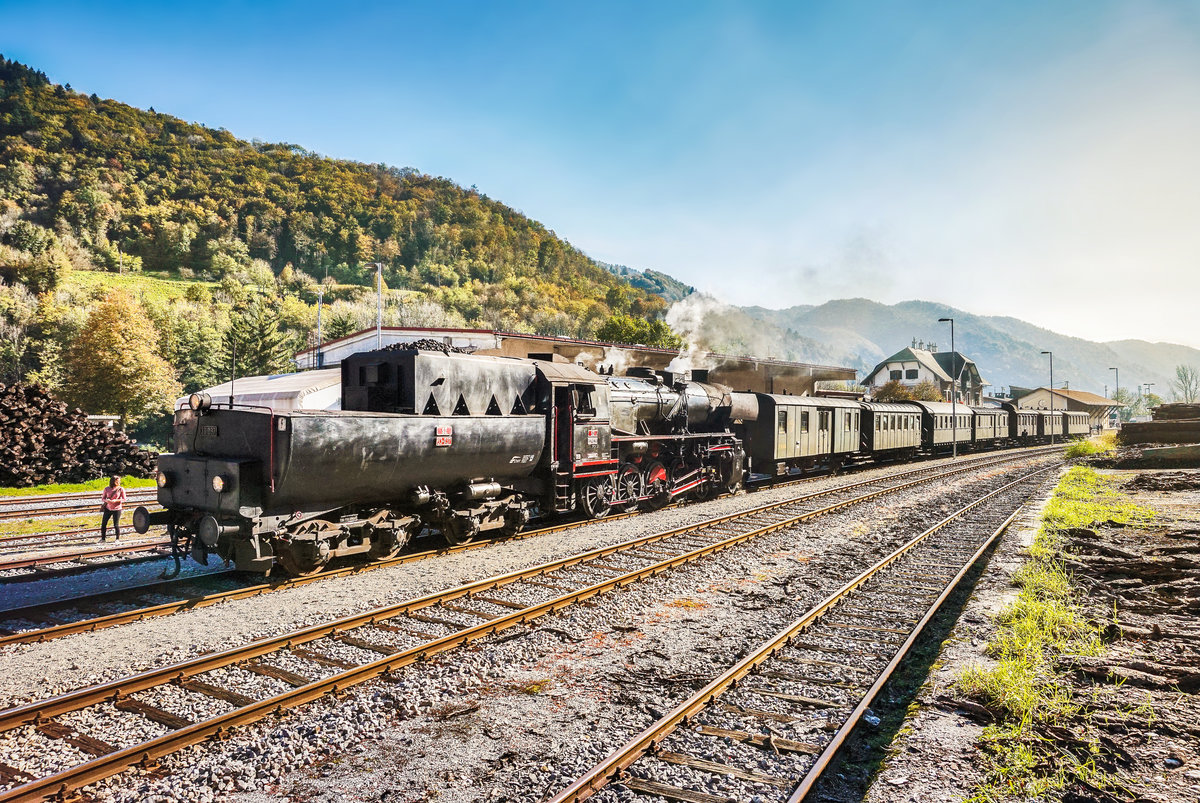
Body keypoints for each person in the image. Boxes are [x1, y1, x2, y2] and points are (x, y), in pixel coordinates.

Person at [100, 475, 126, 542]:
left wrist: (116, 500)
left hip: (117, 509)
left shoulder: (121, 489)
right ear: (113, 481)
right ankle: (103, 539)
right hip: (108, 508)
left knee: (116, 524)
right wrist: (107, 501)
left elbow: (124, 499)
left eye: (119, 481)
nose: (119, 482)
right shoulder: (107, 489)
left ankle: (117, 539)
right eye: (117, 481)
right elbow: (103, 498)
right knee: (103, 524)